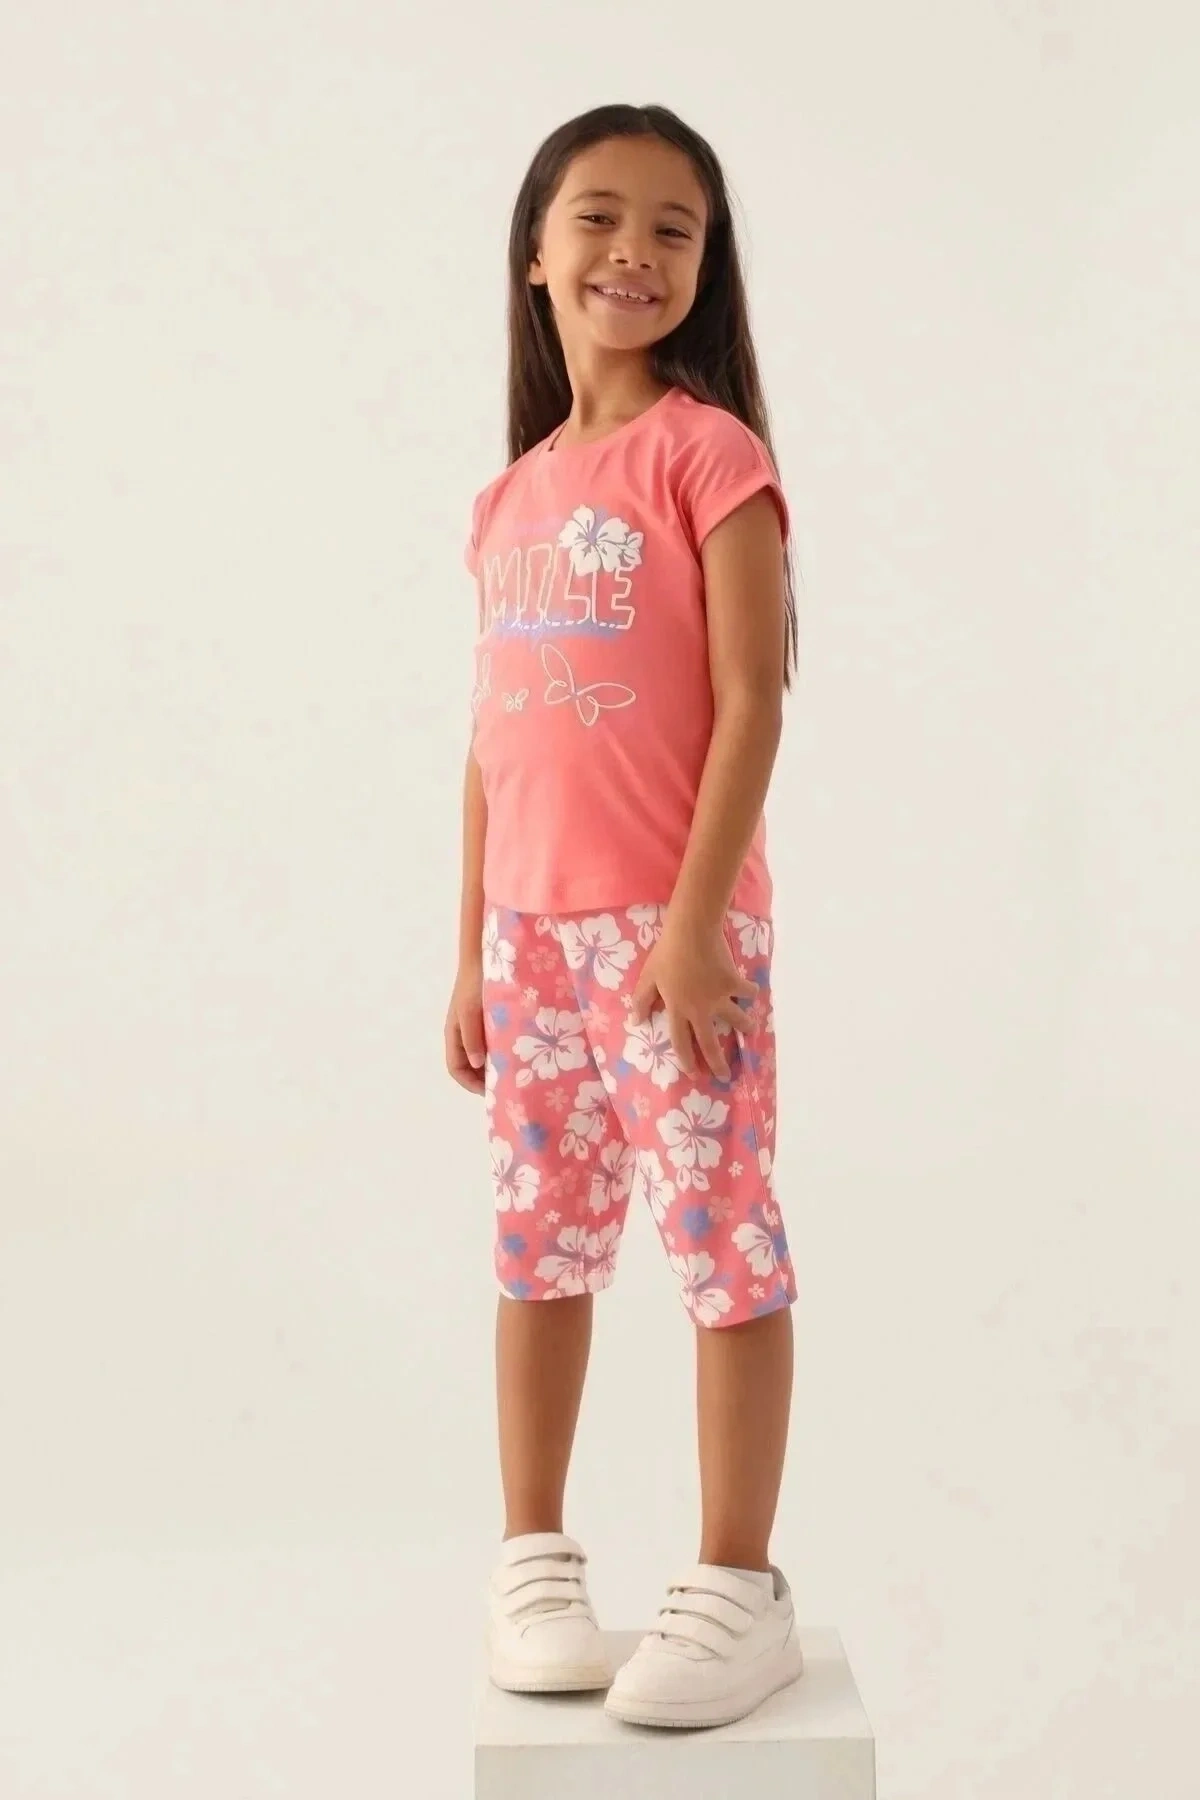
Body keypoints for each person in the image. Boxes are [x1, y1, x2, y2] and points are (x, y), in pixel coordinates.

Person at [444, 102, 803, 1732]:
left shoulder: (709, 455)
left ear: (706, 264)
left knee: (722, 1245)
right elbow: (492, 743)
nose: (633, 252)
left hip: (672, 944)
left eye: (674, 227)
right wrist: (471, 950)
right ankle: (534, 1558)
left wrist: (695, 926)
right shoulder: (509, 497)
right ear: (536, 252)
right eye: (597, 217)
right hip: (530, 941)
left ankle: (738, 1582)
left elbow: (753, 700)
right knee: (539, 1249)